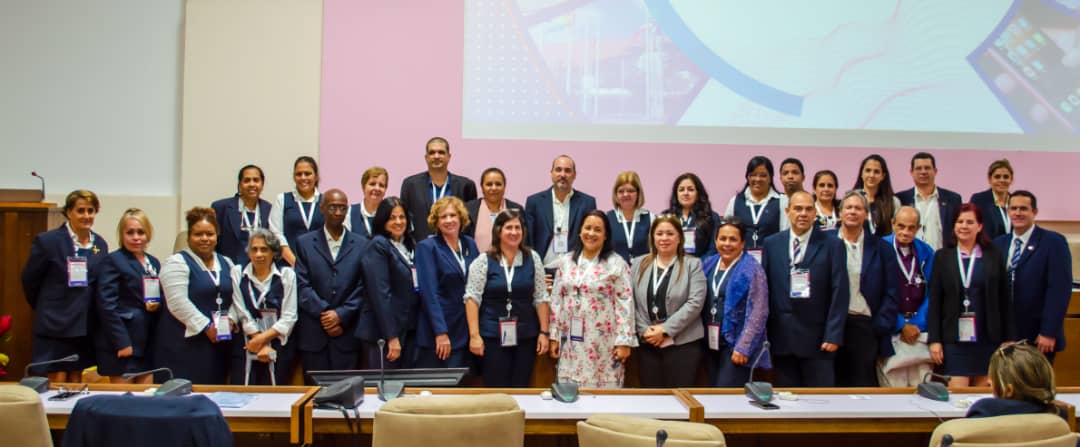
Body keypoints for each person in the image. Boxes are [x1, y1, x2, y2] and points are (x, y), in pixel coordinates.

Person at [760, 191, 848, 387]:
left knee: (821, 400)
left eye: (809, 209)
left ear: (815, 213)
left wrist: (833, 334)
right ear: (788, 211)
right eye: (798, 209)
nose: (803, 214)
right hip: (782, 338)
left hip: (818, 340)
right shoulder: (772, 243)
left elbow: (840, 292)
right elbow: (764, 291)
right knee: (787, 399)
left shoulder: (833, 245)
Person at [22, 190, 108, 383]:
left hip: (84, 325)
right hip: (55, 324)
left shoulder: (100, 244)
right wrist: (47, 307)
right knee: (57, 378)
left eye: (91, 211)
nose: (86, 216)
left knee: (77, 377)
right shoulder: (48, 241)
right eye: (80, 211)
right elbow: (30, 281)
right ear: (69, 212)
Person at [928, 204, 1014, 387]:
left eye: (969, 222)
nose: (964, 226)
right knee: (958, 395)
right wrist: (934, 340)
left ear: (980, 226)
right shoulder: (943, 257)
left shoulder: (994, 255)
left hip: (988, 339)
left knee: (984, 394)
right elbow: (935, 301)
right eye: (960, 222)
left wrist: (1008, 337)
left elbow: (1004, 300)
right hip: (955, 340)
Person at [549, 210, 636, 388]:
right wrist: (554, 335)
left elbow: (625, 303)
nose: (591, 233)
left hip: (603, 341)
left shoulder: (616, 264)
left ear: (605, 235)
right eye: (587, 228)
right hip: (571, 340)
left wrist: (624, 341)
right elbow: (557, 300)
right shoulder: (566, 261)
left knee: (603, 396)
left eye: (597, 230)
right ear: (580, 231)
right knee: (571, 393)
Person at [464, 209, 550, 387]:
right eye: (509, 228)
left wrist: (544, 332)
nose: (514, 232)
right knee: (496, 388)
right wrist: (474, 336)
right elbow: (472, 299)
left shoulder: (533, 258)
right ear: (498, 231)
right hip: (492, 336)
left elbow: (541, 297)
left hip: (526, 336)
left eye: (518, 228)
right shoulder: (483, 260)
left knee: (521, 386)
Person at [156, 207, 236, 384]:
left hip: (219, 344)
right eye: (198, 234)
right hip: (185, 345)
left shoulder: (227, 263)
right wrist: (207, 326)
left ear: (217, 235)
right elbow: (177, 303)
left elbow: (237, 298)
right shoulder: (176, 262)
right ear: (189, 236)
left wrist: (231, 320)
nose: (205, 238)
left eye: (210, 234)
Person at [295, 189, 367, 373]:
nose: (337, 212)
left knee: (348, 389)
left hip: (347, 333)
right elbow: (302, 286)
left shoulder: (361, 244)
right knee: (315, 389)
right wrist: (326, 314)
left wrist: (341, 315)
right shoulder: (304, 243)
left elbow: (363, 287)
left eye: (342, 208)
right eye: (332, 207)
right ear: (322, 208)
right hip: (314, 335)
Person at [831, 191, 899, 387]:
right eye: (848, 207)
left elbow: (892, 291)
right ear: (840, 213)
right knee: (831, 386)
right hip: (832, 327)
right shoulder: (825, 243)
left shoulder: (882, 248)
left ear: (866, 214)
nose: (853, 212)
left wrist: (880, 325)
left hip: (865, 326)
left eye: (858, 208)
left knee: (862, 386)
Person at [994, 191, 1071, 363]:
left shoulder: (1053, 242)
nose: (1018, 213)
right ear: (1008, 211)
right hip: (1006, 337)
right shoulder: (998, 244)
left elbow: (1059, 290)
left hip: (1039, 337)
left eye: (1023, 209)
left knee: (1036, 380)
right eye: (1013, 208)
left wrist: (1048, 332)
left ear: (1034, 212)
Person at [630, 214, 706, 388]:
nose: (664, 238)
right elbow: (630, 301)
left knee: (679, 397)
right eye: (659, 233)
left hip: (682, 344)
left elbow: (695, 302)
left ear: (679, 237)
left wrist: (665, 330)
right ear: (652, 237)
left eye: (670, 233)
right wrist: (645, 331)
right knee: (652, 397)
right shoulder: (638, 263)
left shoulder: (692, 264)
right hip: (648, 343)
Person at [94, 208, 161, 384]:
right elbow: (106, 305)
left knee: (147, 396)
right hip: (124, 344)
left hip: (148, 342)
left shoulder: (153, 262)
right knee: (124, 398)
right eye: (130, 232)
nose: (136, 237)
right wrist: (121, 342)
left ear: (148, 234)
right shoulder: (113, 260)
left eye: (141, 232)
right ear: (121, 235)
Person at [701, 216, 769, 387]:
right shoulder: (708, 264)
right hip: (709, 341)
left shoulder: (752, 268)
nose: (727, 243)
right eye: (722, 238)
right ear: (716, 241)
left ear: (742, 243)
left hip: (735, 345)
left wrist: (743, 346)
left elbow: (759, 311)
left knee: (725, 393)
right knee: (710, 391)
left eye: (733, 239)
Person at [415, 197, 479, 369]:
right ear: (436, 222)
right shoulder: (427, 247)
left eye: (452, 215)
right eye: (443, 217)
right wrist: (441, 332)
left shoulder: (470, 244)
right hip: (440, 332)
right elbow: (429, 294)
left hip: (467, 328)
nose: (449, 220)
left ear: (461, 217)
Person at [230, 229, 298, 385]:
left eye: (264, 249)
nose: (258, 254)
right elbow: (241, 311)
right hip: (248, 343)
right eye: (254, 249)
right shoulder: (238, 273)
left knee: (275, 394)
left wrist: (263, 340)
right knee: (244, 393)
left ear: (273, 252)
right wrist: (258, 341)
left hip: (278, 344)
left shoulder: (287, 275)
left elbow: (289, 316)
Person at [357, 196, 418, 369]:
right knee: (384, 384)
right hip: (383, 334)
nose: (398, 222)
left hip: (406, 328)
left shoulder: (408, 245)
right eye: (392, 218)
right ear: (382, 220)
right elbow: (380, 294)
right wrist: (391, 337)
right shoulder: (378, 245)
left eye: (402, 217)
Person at [879, 206, 936, 387]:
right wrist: (901, 324)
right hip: (891, 329)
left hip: (919, 332)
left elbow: (933, 292)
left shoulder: (926, 252)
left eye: (911, 228)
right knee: (892, 391)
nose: (905, 232)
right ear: (892, 224)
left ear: (918, 228)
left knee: (922, 388)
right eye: (901, 226)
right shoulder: (880, 248)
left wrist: (917, 323)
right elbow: (875, 292)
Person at [525, 155, 597, 270]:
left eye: (567, 171)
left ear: (574, 175)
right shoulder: (534, 202)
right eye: (558, 170)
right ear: (551, 173)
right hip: (543, 270)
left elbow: (591, 238)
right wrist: (536, 272)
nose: (562, 174)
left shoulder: (587, 203)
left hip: (575, 270)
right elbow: (528, 241)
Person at [399, 137, 478, 241]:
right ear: (426, 157)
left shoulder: (466, 186)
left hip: (455, 246)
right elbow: (404, 218)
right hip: (419, 245)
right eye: (432, 153)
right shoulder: (410, 185)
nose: (436, 156)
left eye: (441, 152)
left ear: (449, 156)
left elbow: (469, 222)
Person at [966, 342, 1061, 419]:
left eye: (991, 384)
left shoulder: (984, 412)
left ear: (1008, 390)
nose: (988, 382)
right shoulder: (1059, 417)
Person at [896, 152, 962, 250]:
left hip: (942, 256)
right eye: (918, 168)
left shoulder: (953, 199)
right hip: (910, 257)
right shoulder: (901, 199)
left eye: (927, 168)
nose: (923, 172)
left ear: (935, 171)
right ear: (911, 172)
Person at [724, 157, 789, 255]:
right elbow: (726, 233)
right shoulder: (735, 201)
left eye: (763, 175)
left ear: (770, 178)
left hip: (772, 257)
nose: (758, 179)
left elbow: (786, 235)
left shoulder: (782, 201)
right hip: (741, 259)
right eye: (753, 175)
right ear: (748, 177)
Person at [212, 164, 272, 265]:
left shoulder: (269, 209)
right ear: (240, 184)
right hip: (229, 268)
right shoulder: (221, 208)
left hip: (260, 268)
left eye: (256, 180)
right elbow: (213, 243)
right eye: (247, 180)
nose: (252, 184)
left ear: (262, 184)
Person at [271, 156, 324, 266]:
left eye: (307, 174)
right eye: (299, 174)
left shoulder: (325, 201)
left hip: (319, 266)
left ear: (316, 176)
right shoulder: (282, 199)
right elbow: (276, 234)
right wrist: (296, 264)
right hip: (288, 266)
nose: (303, 177)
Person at [464, 167, 523, 252]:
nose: (494, 188)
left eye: (498, 184)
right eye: (489, 184)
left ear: (504, 186)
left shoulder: (516, 209)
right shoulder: (469, 209)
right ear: (482, 187)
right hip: (476, 259)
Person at [668, 173, 722, 259]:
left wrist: (697, 265)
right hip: (671, 265)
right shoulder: (667, 217)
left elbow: (713, 249)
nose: (686, 193)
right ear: (676, 194)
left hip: (701, 265)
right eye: (681, 190)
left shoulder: (712, 217)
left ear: (698, 193)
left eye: (690, 189)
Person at [607, 171, 653, 263]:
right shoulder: (607, 219)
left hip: (643, 269)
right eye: (621, 191)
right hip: (616, 271)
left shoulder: (650, 218)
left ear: (638, 193)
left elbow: (655, 251)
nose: (625, 194)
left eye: (630, 191)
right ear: (616, 194)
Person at [853, 154, 901, 238]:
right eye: (868, 170)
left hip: (884, 245)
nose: (871, 175)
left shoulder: (893, 202)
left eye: (876, 172)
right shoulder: (851, 199)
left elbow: (897, 231)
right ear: (861, 173)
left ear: (883, 176)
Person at [971, 159, 1014, 240]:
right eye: (997, 177)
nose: (1002, 180)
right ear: (990, 179)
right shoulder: (979, 200)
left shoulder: (1016, 202)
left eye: (1006, 177)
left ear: (1011, 179)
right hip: (987, 247)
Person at [347, 166, 388, 239]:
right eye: (372, 184)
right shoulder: (350, 212)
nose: (377, 188)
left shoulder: (390, 214)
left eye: (381, 185)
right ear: (363, 187)